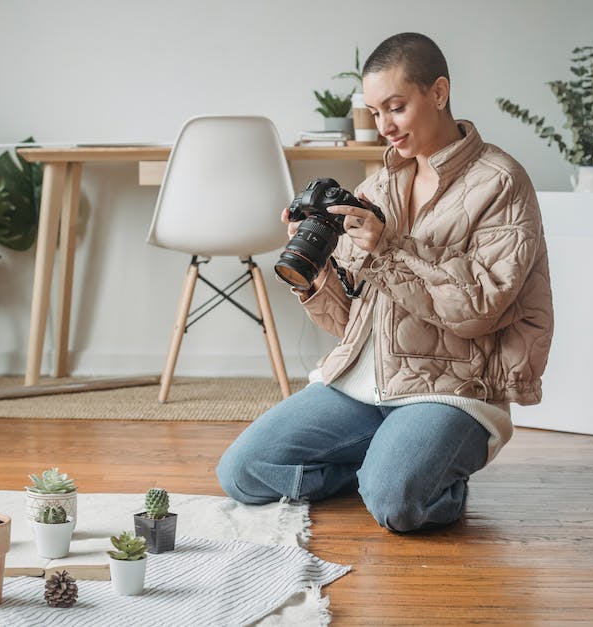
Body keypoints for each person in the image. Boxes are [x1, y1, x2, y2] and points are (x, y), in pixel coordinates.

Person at [216, 32, 553, 532]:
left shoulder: (500, 182)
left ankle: (410, 471)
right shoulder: (377, 186)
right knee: (242, 473)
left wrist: (387, 249)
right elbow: (348, 322)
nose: (384, 127)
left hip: (452, 387)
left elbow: (479, 308)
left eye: (395, 107)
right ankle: (379, 464)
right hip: (361, 381)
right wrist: (314, 276)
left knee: (398, 504)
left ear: (438, 93)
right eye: (375, 112)